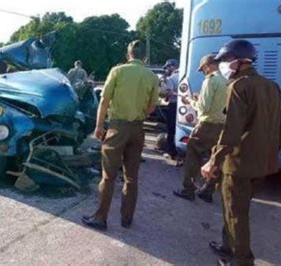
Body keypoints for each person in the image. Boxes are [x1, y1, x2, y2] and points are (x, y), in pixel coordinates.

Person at [201, 40, 281, 266]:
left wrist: (213, 160)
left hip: (238, 164)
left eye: (225, 61)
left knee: (236, 213)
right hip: (261, 164)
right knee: (235, 207)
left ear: (240, 62)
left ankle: (242, 261)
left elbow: (231, 131)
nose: (222, 66)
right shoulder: (272, 86)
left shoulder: (238, 87)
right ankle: (227, 246)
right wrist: (267, 154)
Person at [82, 40, 159, 231]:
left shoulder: (118, 71)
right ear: (145, 57)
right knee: (131, 177)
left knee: (108, 176)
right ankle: (127, 219)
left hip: (117, 127)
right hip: (138, 129)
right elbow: (152, 107)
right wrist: (138, 112)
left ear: (128, 54)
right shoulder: (151, 76)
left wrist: (99, 126)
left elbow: (105, 101)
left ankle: (101, 218)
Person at [173, 54, 227, 203]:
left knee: (193, 155)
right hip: (222, 126)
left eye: (203, 69)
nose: (203, 72)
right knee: (215, 159)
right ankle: (208, 191)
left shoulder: (210, 80)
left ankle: (188, 189)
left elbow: (204, 108)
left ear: (207, 66)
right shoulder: (226, 81)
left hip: (206, 125)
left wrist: (190, 100)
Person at [162, 59, 180, 161]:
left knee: (171, 130)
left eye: (167, 67)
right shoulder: (185, 75)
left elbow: (168, 93)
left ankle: (172, 152)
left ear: (172, 66)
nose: (166, 70)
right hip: (185, 106)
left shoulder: (171, 78)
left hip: (173, 106)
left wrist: (164, 97)